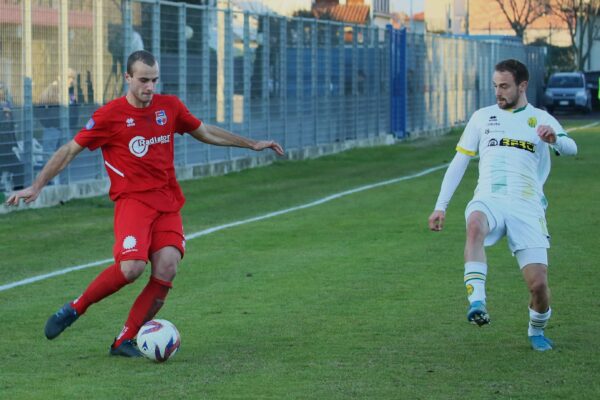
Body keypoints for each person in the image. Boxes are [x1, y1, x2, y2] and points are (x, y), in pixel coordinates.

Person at [6, 50, 284, 357]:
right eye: (143, 80)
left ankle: (124, 340)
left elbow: (205, 132)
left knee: (167, 267)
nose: (150, 87)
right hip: (133, 202)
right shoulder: (109, 116)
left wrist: (252, 143)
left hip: (167, 201)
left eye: (154, 80)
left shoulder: (170, 107)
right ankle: (75, 308)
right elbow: (70, 151)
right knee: (132, 268)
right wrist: (37, 186)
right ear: (128, 78)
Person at [427, 59, 577, 352]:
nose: (498, 92)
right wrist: (440, 206)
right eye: (495, 85)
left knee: (539, 287)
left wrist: (555, 139)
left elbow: (572, 148)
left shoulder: (539, 118)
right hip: (490, 197)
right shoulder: (482, 117)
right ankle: (477, 302)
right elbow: (460, 162)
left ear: (522, 86)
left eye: (505, 86)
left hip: (527, 205)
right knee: (474, 225)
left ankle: (536, 330)